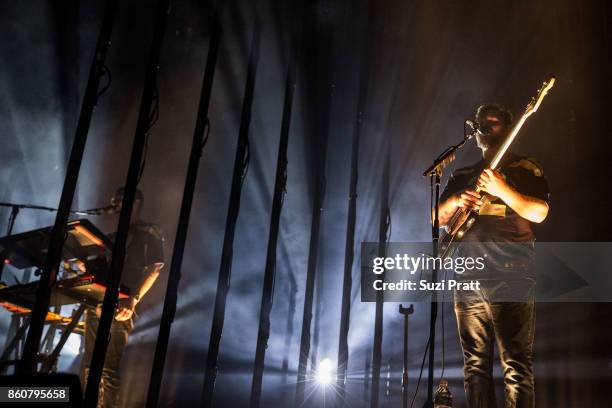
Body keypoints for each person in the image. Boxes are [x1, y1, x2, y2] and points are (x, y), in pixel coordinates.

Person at [438, 104, 550, 407]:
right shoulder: (463, 173)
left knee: (515, 363)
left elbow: (539, 212)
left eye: (493, 122)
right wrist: (457, 198)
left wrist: (502, 190)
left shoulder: (525, 168)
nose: (484, 127)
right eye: (480, 123)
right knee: (474, 366)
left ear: (509, 127)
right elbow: (437, 218)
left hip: (512, 273)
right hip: (468, 275)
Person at [80, 187, 164, 407]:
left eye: (118, 200)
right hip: (96, 301)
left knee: (107, 367)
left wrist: (133, 298)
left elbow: (155, 267)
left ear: (135, 202)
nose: (115, 204)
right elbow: (96, 269)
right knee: (89, 365)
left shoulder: (149, 231)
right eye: (114, 200)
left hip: (122, 303)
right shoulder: (111, 238)